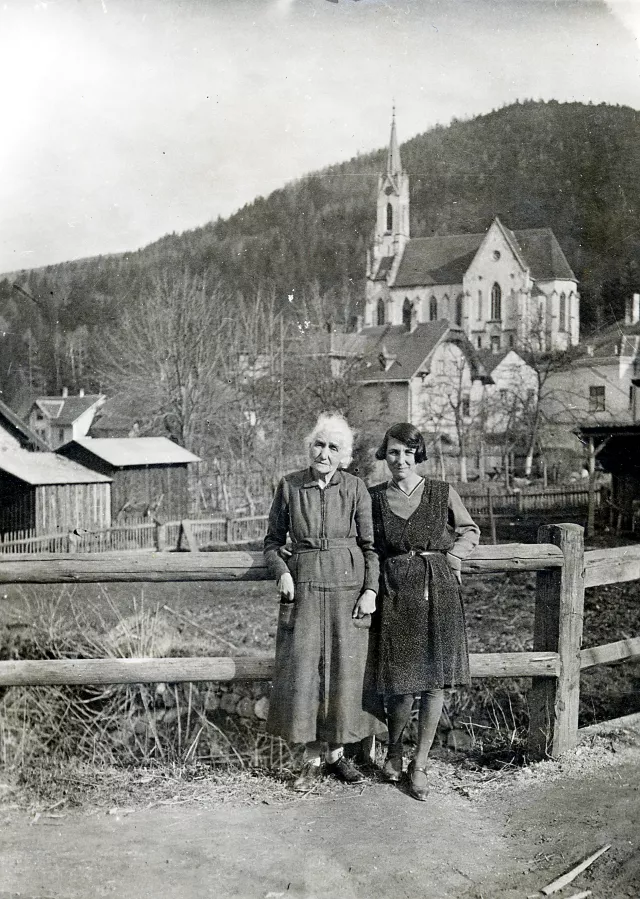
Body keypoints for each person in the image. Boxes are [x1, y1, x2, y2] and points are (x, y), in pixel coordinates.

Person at [264, 412, 386, 791]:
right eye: (320, 444)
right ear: (309, 448)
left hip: (348, 591)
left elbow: (371, 548)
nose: (325, 453)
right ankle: (312, 758)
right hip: (304, 588)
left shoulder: (356, 489)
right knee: (304, 671)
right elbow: (271, 543)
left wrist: (370, 591)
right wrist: (282, 572)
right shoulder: (289, 487)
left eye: (334, 447)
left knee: (344, 672)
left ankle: (338, 755)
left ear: (344, 455)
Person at [370, 422, 480, 801]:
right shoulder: (373, 498)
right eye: (393, 452)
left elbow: (469, 531)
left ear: (419, 454)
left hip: (438, 592)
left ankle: (420, 763)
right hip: (396, 593)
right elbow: (361, 545)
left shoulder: (441, 492)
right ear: (384, 455)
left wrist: (454, 556)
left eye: (407, 452)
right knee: (401, 682)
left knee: (434, 682)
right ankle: (395, 750)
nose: (400, 460)